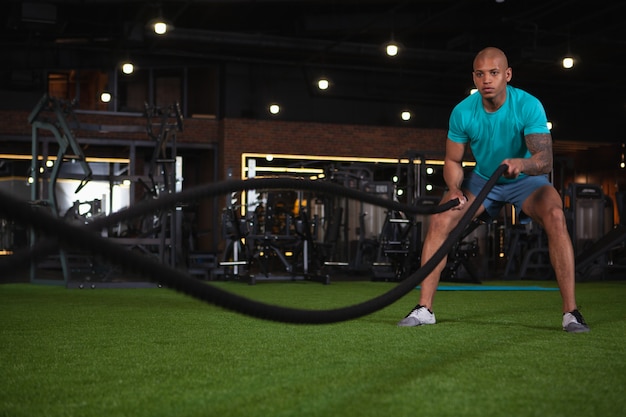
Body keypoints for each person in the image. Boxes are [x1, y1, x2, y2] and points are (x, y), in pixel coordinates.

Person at [398, 47, 589, 333]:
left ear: (507, 75)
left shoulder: (528, 105)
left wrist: (522, 163)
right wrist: (453, 188)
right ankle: (424, 308)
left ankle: (571, 312)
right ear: (474, 77)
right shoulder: (463, 112)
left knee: (555, 215)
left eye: (494, 73)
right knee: (440, 220)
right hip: (483, 180)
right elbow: (452, 160)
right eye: (480, 74)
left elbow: (545, 160)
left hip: (527, 179)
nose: (487, 79)